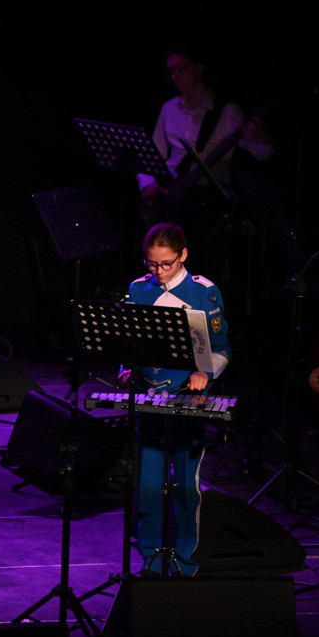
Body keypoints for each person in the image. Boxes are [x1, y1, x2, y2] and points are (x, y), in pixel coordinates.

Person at [118, 222, 231, 576]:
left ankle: (185, 561)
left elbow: (222, 347)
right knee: (148, 485)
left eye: (166, 264)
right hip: (152, 399)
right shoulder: (138, 289)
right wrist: (128, 368)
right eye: (152, 264)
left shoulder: (203, 292)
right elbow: (129, 341)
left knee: (186, 484)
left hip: (189, 398)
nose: (158, 271)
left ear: (183, 255)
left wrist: (205, 373)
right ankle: (150, 558)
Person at [138, 44, 274, 226]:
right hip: (171, 194)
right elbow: (152, 155)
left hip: (210, 202)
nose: (174, 76)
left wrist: (263, 135)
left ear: (198, 68)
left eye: (179, 69)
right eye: (171, 72)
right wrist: (147, 184)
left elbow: (262, 153)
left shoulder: (227, 112)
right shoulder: (169, 109)